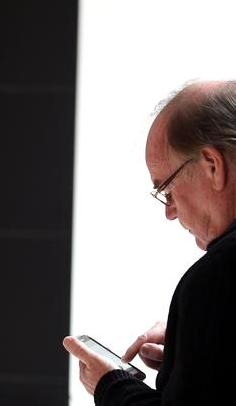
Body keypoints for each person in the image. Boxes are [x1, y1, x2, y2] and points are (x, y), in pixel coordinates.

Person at [63, 80, 236, 405]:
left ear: (213, 165)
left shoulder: (217, 277)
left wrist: (110, 384)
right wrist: (199, 347)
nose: (170, 212)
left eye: (167, 190)